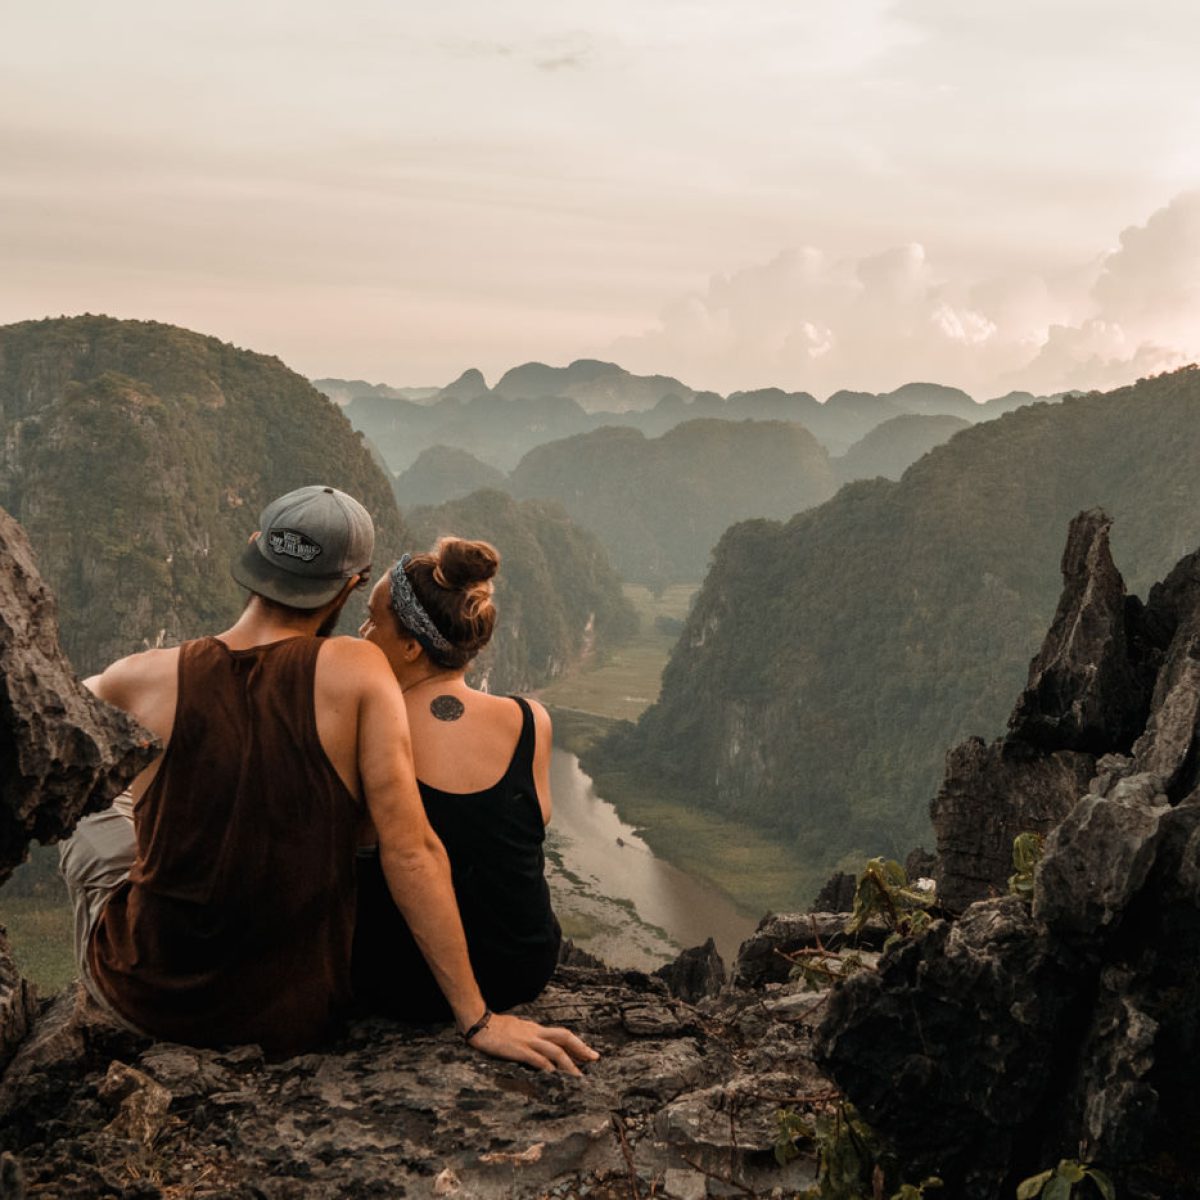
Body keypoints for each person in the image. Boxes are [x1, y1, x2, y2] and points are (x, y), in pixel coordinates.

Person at [59, 485, 596, 1073]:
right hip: (291, 1018)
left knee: (102, 809)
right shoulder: (361, 670)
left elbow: (51, 732)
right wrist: (478, 1019)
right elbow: (412, 850)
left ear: (251, 551)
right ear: (351, 584)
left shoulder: (137, 677)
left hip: (142, 998)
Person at [353, 537, 561, 1022]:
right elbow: (528, 828)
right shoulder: (531, 721)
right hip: (523, 969)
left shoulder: (370, 730)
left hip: (407, 983)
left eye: (372, 619)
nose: (362, 633)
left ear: (409, 646)